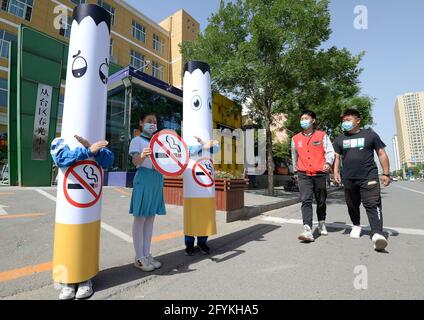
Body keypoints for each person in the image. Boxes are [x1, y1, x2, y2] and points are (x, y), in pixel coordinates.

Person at [50, 135, 114, 300]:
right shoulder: (59, 142)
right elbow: (61, 159)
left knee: (86, 238)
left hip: (89, 202)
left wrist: (93, 148)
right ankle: (68, 282)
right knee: (68, 239)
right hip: (69, 206)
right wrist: (87, 151)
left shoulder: (99, 142)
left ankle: (86, 279)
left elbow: (108, 161)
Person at [333, 108, 390, 251]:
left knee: (372, 204)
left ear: (358, 120)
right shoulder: (340, 139)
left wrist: (386, 173)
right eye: (343, 120)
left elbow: (381, 153)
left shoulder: (370, 135)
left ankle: (377, 233)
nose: (345, 122)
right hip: (349, 178)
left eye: (348, 119)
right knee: (352, 204)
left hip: (368, 177)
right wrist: (335, 172)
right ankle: (356, 225)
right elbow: (337, 157)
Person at [129, 113, 165, 271]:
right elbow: (135, 161)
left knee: (150, 218)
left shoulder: (159, 143)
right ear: (141, 123)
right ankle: (139, 257)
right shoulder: (137, 140)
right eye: (149, 121)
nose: (153, 124)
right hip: (143, 178)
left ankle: (146, 254)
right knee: (140, 218)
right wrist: (142, 155)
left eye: (155, 122)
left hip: (157, 179)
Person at [291, 110, 335, 242]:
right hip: (303, 173)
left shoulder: (322, 135)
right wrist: (295, 171)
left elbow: (330, 151)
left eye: (306, 118)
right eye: (302, 118)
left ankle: (321, 222)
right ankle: (307, 229)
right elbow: (294, 156)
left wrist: (328, 162)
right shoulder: (295, 139)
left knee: (321, 200)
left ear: (313, 120)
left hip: (319, 173)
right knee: (306, 200)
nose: (303, 121)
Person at [184, 135, 220, 256]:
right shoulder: (186, 142)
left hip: (206, 189)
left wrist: (208, 143)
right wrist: (202, 145)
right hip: (191, 188)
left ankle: (202, 242)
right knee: (190, 216)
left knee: (205, 216)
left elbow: (216, 148)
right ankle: (189, 244)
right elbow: (187, 151)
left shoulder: (208, 148)